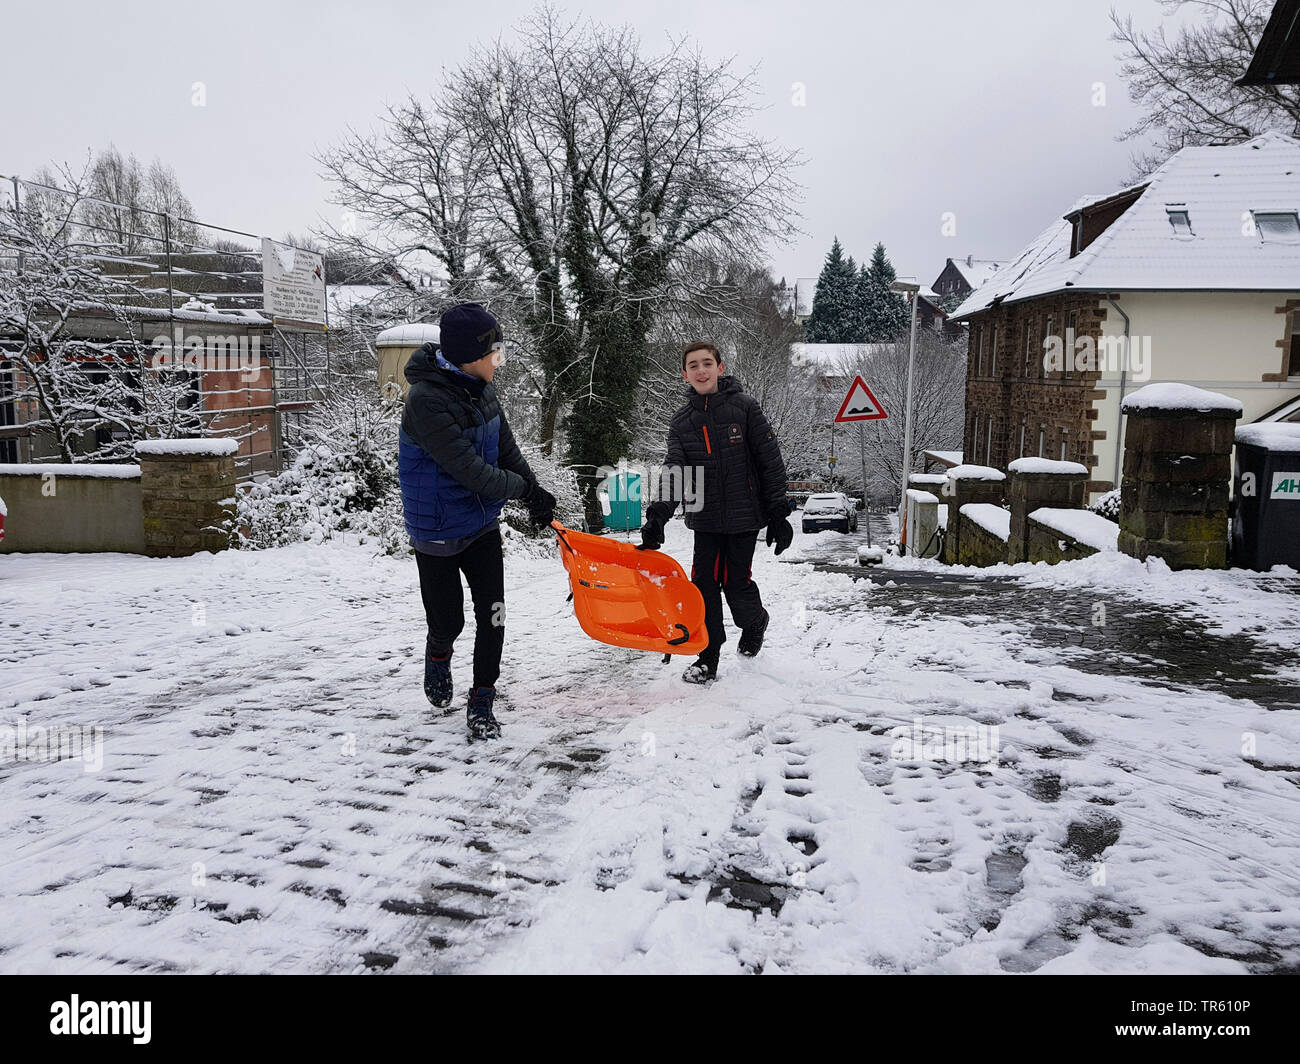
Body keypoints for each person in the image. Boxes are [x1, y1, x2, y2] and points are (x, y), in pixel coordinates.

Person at [398, 303, 556, 739]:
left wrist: (535, 490)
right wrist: (521, 491)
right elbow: (471, 471)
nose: (498, 363)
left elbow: (506, 451)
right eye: (495, 354)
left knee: (494, 615)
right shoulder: (426, 402)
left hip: (482, 525)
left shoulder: (483, 389)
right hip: (437, 531)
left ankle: (482, 700)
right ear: (470, 356)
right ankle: (438, 653)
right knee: (449, 621)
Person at [639, 341, 793, 683]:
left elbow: (770, 461)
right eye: (693, 365)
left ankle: (755, 621)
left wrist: (778, 512)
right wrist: (658, 516)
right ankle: (708, 656)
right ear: (684, 374)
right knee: (703, 587)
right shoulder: (682, 423)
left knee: (736, 585)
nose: (701, 370)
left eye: (707, 363)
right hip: (705, 519)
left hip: (743, 515)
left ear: (720, 368)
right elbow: (674, 471)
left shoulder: (745, 408)